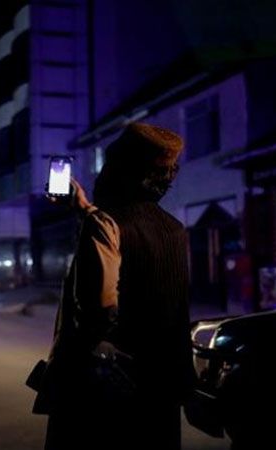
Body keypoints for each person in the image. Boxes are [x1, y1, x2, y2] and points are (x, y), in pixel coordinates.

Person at [32, 122, 193, 450]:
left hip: (109, 395)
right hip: (162, 387)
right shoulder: (175, 229)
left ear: (120, 168)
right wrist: (86, 211)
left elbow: (100, 313)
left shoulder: (103, 224)